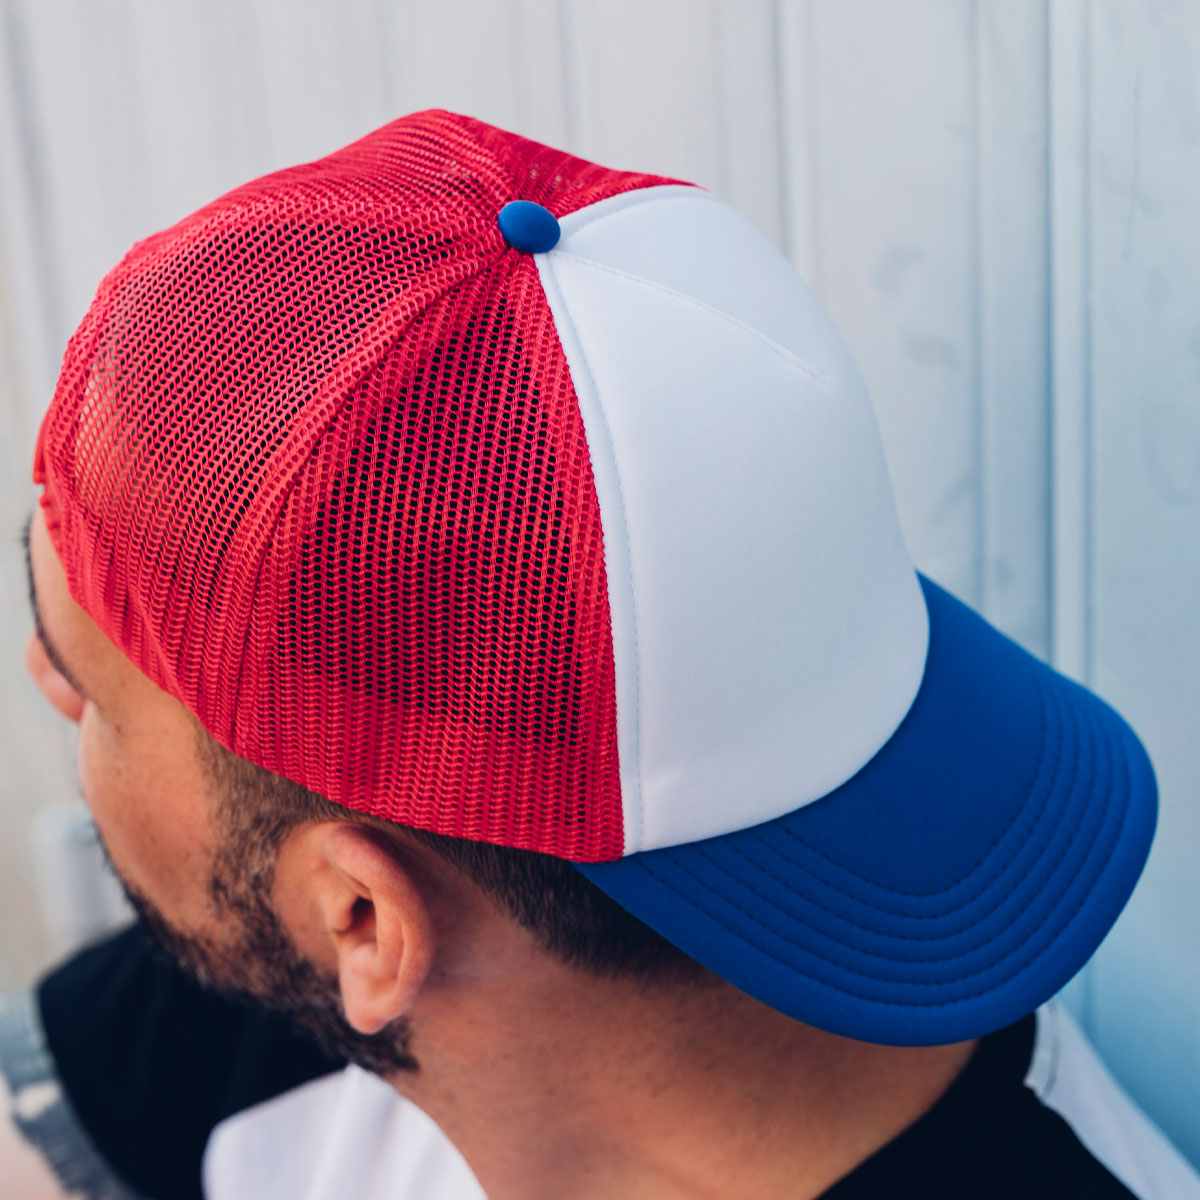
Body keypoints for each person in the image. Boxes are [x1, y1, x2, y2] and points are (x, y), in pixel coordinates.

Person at [3, 109, 1198, 1200]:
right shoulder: (275, 994)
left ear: (364, 919)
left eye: (92, 691)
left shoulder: (316, 937)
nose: (43, 681)